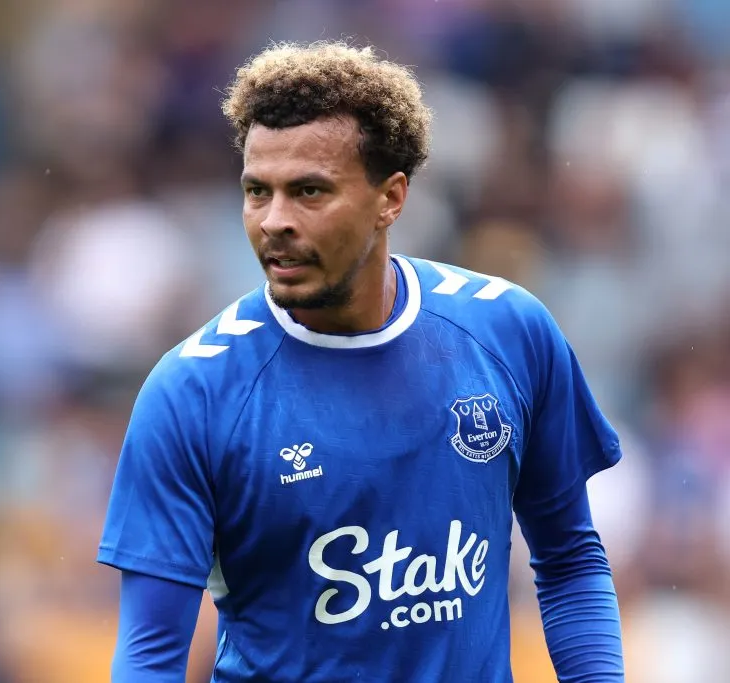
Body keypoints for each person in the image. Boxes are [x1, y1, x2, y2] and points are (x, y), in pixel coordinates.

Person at [98, 41, 625, 682]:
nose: (275, 221)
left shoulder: (508, 332)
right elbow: (151, 656)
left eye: (309, 192)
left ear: (391, 198)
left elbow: (569, 560)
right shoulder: (193, 392)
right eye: (257, 192)